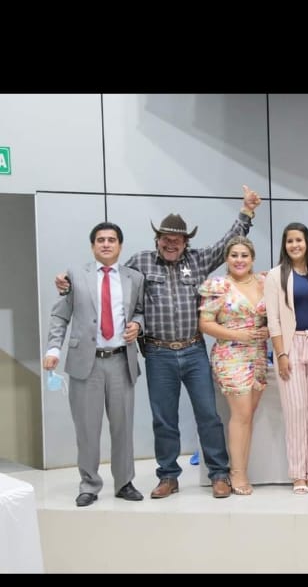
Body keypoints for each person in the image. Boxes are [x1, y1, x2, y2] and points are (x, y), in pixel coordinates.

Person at [54, 185, 262, 498]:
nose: (171, 244)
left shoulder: (198, 260)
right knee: (164, 419)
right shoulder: (140, 262)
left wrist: (247, 211)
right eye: (165, 238)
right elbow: (109, 277)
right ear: (157, 240)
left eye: (177, 240)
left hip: (193, 350)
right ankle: (168, 476)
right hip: (158, 354)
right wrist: (68, 281)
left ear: (186, 242)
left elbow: (226, 244)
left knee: (208, 414)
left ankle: (219, 474)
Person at [43, 222, 145, 506]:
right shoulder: (74, 275)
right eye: (100, 240)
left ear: (120, 245)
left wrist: (137, 324)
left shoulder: (134, 278)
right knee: (87, 429)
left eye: (112, 239)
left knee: (123, 427)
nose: (106, 244)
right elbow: (60, 315)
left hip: (121, 361)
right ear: (92, 246)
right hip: (86, 363)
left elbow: (140, 311)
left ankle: (124, 482)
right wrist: (53, 348)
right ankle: (89, 484)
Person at [264, 223, 308, 493]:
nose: (295, 245)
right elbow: (273, 320)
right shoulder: (275, 276)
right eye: (290, 241)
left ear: (307, 243)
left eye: (299, 240)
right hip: (291, 346)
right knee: (296, 412)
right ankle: (297, 474)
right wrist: (281, 353)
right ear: (285, 245)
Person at [198, 237, 268, 496]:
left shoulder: (263, 282)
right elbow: (205, 323)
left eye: (244, 255)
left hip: (258, 354)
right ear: (227, 258)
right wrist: (239, 335)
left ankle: (242, 468)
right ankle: (237, 473)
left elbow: (273, 316)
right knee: (240, 414)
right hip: (230, 354)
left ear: (252, 258)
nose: (239, 260)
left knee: (248, 415)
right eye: (234, 255)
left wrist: (267, 330)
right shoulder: (218, 285)